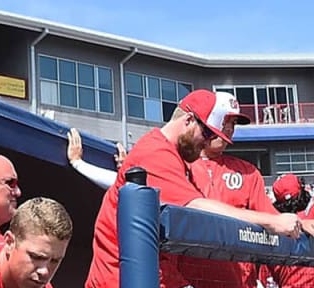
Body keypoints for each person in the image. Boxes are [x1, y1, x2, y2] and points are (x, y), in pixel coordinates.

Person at [86, 90, 304, 288]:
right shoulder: (155, 151)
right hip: (120, 279)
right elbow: (196, 208)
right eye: (207, 133)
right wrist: (271, 221)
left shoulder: (175, 156)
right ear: (189, 120)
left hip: (152, 274)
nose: (208, 141)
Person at [176, 97, 268, 288]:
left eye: (233, 123)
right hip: (188, 280)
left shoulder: (248, 171)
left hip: (239, 281)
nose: (229, 128)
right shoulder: (175, 164)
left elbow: (272, 221)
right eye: (225, 121)